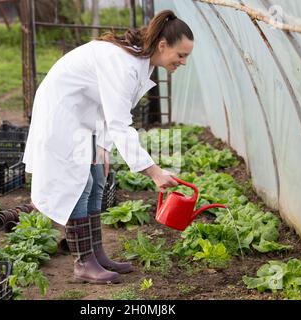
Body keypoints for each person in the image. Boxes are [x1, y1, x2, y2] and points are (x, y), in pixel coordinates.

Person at [23, 10, 194, 284]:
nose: (183, 62)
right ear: (163, 46)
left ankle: (97, 253)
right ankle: (83, 263)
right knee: (80, 183)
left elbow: (109, 106)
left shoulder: (141, 62)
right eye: (181, 55)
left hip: (83, 113)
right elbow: (119, 122)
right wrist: (154, 172)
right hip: (62, 111)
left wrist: (102, 147)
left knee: (97, 178)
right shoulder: (125, 64)